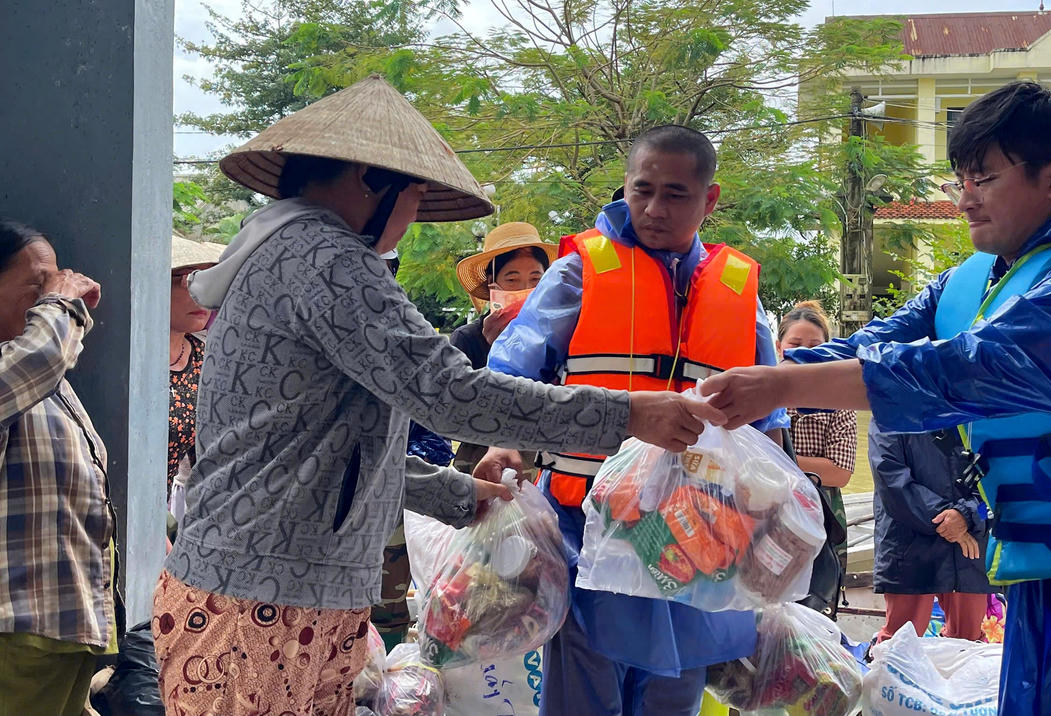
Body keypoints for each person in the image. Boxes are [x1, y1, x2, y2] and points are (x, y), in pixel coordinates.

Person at [151, 74, 727, 716]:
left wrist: (456, 493)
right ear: (371, 179)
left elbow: (330, 449)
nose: (412, 215)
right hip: (267, 594)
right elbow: (449, 393)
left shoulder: (287, 247)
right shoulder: (325, 257)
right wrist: (628, 413)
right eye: (415, 195)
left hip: (271, 583)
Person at [703, 80, 1051, 716]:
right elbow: (872, 344)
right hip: (1045, 576)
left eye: (983, 179)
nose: (963, 199)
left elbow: (959, 370)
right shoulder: (974, 281)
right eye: (959, 180)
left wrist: (778, 386)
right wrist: (736, 381)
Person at [476, 125, 792, 716]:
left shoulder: (738, 290)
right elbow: (514, 369)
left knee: (674, 695)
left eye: (675, 194)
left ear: (710, 199)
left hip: (698, 539)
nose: (654, 208)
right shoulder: (580, 272)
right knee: (585, 689)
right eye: (642, 190)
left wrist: (777, 514)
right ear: (625, 186)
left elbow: (768, 412)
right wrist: (504, 443)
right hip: (591, 528)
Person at [0, 219, 111, 716]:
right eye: (38, 286)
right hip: (15, 629)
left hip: (60, 623)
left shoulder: (44, 379)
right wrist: (62, 303)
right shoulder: (24, 370)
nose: (53, 295)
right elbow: (41, 356)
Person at [448, 221, 557, 473]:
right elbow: (454, 410)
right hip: (483, 465)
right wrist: (493, 351)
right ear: (492, 285)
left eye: (535, 279)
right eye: (512, 279)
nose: (525, 289)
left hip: (545, 462)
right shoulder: (468, 338)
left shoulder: (557, 334)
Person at [869, 421, 990, 644]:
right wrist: (949, 520)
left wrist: (968, 515)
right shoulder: (889, 413)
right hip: (909, 542)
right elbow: (890, 479)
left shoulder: (979, 410)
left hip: (969, 541)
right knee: (901, 640)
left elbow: (998, 478)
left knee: (969, 640)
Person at [776, 301, 856, 570]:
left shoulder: (840, 400)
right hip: (768, 514)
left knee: (821, 589)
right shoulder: (763, 397)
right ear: (778, 347)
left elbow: (840, 473)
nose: (804, 353)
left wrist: (780, 458)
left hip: (823, 517)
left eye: (815, 346)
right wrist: (812, 465)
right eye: (795, 344)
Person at [166, 234, 225, 500]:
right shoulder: (126, 362)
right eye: (189, 279)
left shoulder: (204, 358)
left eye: (209, 280)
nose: (202, 294)